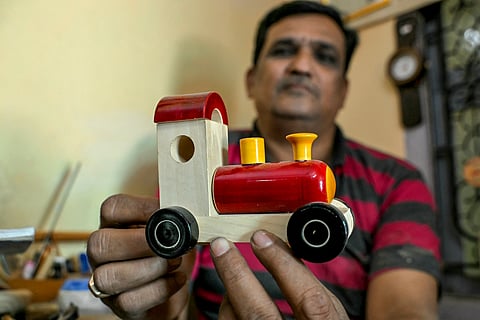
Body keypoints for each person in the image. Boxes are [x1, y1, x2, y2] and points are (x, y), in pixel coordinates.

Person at [86, 1, 441, 319]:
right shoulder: (198, 171)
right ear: (252, 82)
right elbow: (169, 299)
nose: (302, 65)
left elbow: (406, 309)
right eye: (284, 50)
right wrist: (156, 302)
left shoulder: (398, 180)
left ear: (343, 91)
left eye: (325, 56)